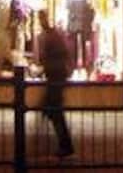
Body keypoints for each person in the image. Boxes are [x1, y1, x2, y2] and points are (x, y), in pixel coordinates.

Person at [38, 10, 74, 158]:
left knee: (55, 110)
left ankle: (65, 145)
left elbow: (60, 54)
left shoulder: (52, 36)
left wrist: (47, 62)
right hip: (55, 76)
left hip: (56, 77)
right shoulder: (52, 36)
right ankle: (63, 144)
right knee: (53, 110)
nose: (41, 22)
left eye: (42, 19)